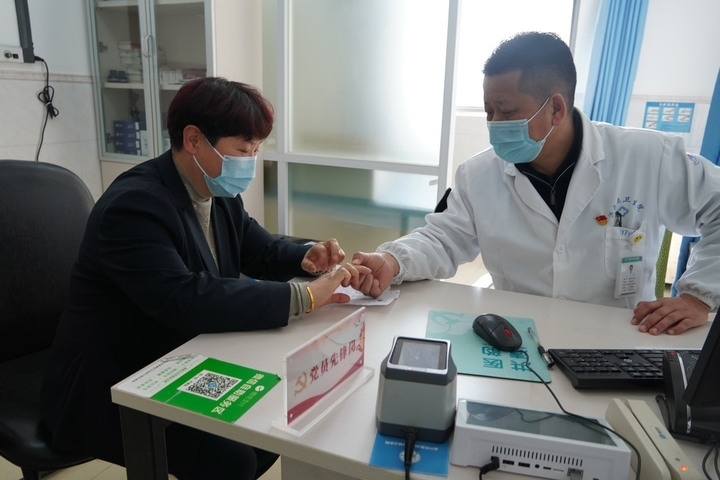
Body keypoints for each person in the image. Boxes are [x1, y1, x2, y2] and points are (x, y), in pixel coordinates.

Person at [41, 77, 367, 479]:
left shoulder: (217, 192)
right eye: (242, 150)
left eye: (256, 150)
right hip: (111, 379)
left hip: (181, 353)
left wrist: (306, 256)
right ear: (193, 139)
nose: (250, 162)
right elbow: (184, 298)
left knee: (268, 431)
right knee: (233, 458)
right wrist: (305, 298)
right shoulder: (135, 206)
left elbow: (259, 249)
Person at [350, 32, 720, 336]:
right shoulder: (477, 175)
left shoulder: (647, 156)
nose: (494, 124)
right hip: (516, 339)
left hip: (621, 338)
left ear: (556, 108)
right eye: (489, 111)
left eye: (507, 111)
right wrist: (392, 260)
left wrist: (698, 296)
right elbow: (441, 238)